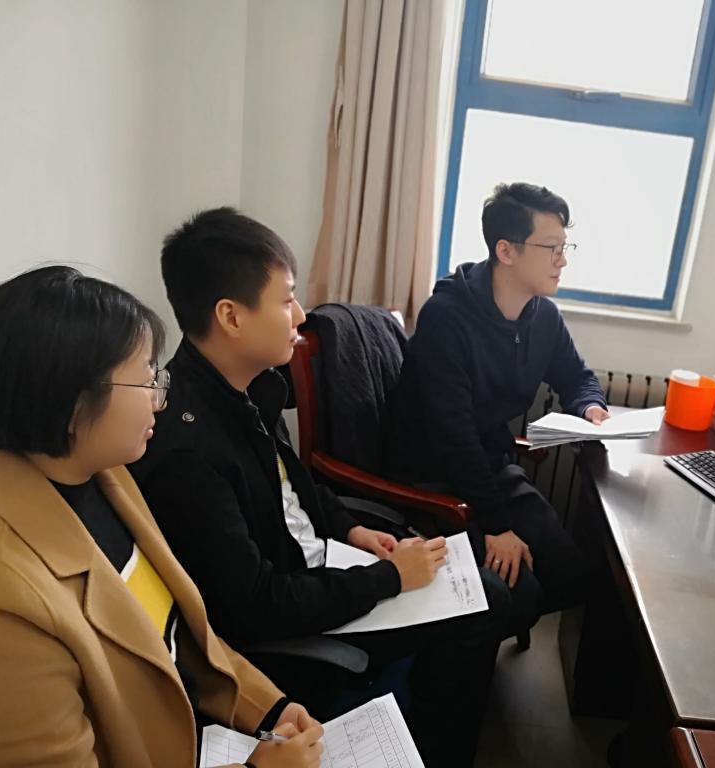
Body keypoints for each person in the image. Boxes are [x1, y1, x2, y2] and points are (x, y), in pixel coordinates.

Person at [129, 208, 510, 767]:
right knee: (488, 604)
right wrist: (389, 578)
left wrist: (352, 530)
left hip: (324, 566)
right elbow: (254, 606)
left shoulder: (251, 384)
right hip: (291, 619)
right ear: (231, 316)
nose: (300, 315)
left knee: (489, 587)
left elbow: (295, 487)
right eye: (285, 299)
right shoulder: (187, 450)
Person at [0, 266, 323, 768]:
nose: (161, 398)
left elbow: (179, 642)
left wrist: (269, 707)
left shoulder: (104, 474)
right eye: (147, 379)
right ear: (74, 405)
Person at [384, 182, 608, 632]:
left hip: (488, 467)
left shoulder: (542, 316)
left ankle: (491, 628)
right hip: (432, 475)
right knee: (517, 589)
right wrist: (497, 527)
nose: (562, 261)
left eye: (565, 248)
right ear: (506, 250)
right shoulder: (446, 317)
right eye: (551, 248)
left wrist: (590, 408)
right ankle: (471, 643)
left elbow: (577, 376)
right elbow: (454, 436)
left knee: (572, 573)